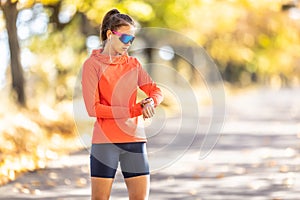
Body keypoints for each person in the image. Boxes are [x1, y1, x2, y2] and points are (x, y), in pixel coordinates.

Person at [81, 8, 163, 200]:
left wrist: (151, 101)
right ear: (110, 34)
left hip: (134, 141)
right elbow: (93, 109)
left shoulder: (133, 64)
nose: (129, 44)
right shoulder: (92, 65)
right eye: (125, 38)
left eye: (132, 39)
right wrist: (136, 109)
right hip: (105, 143)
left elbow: (156, 91)